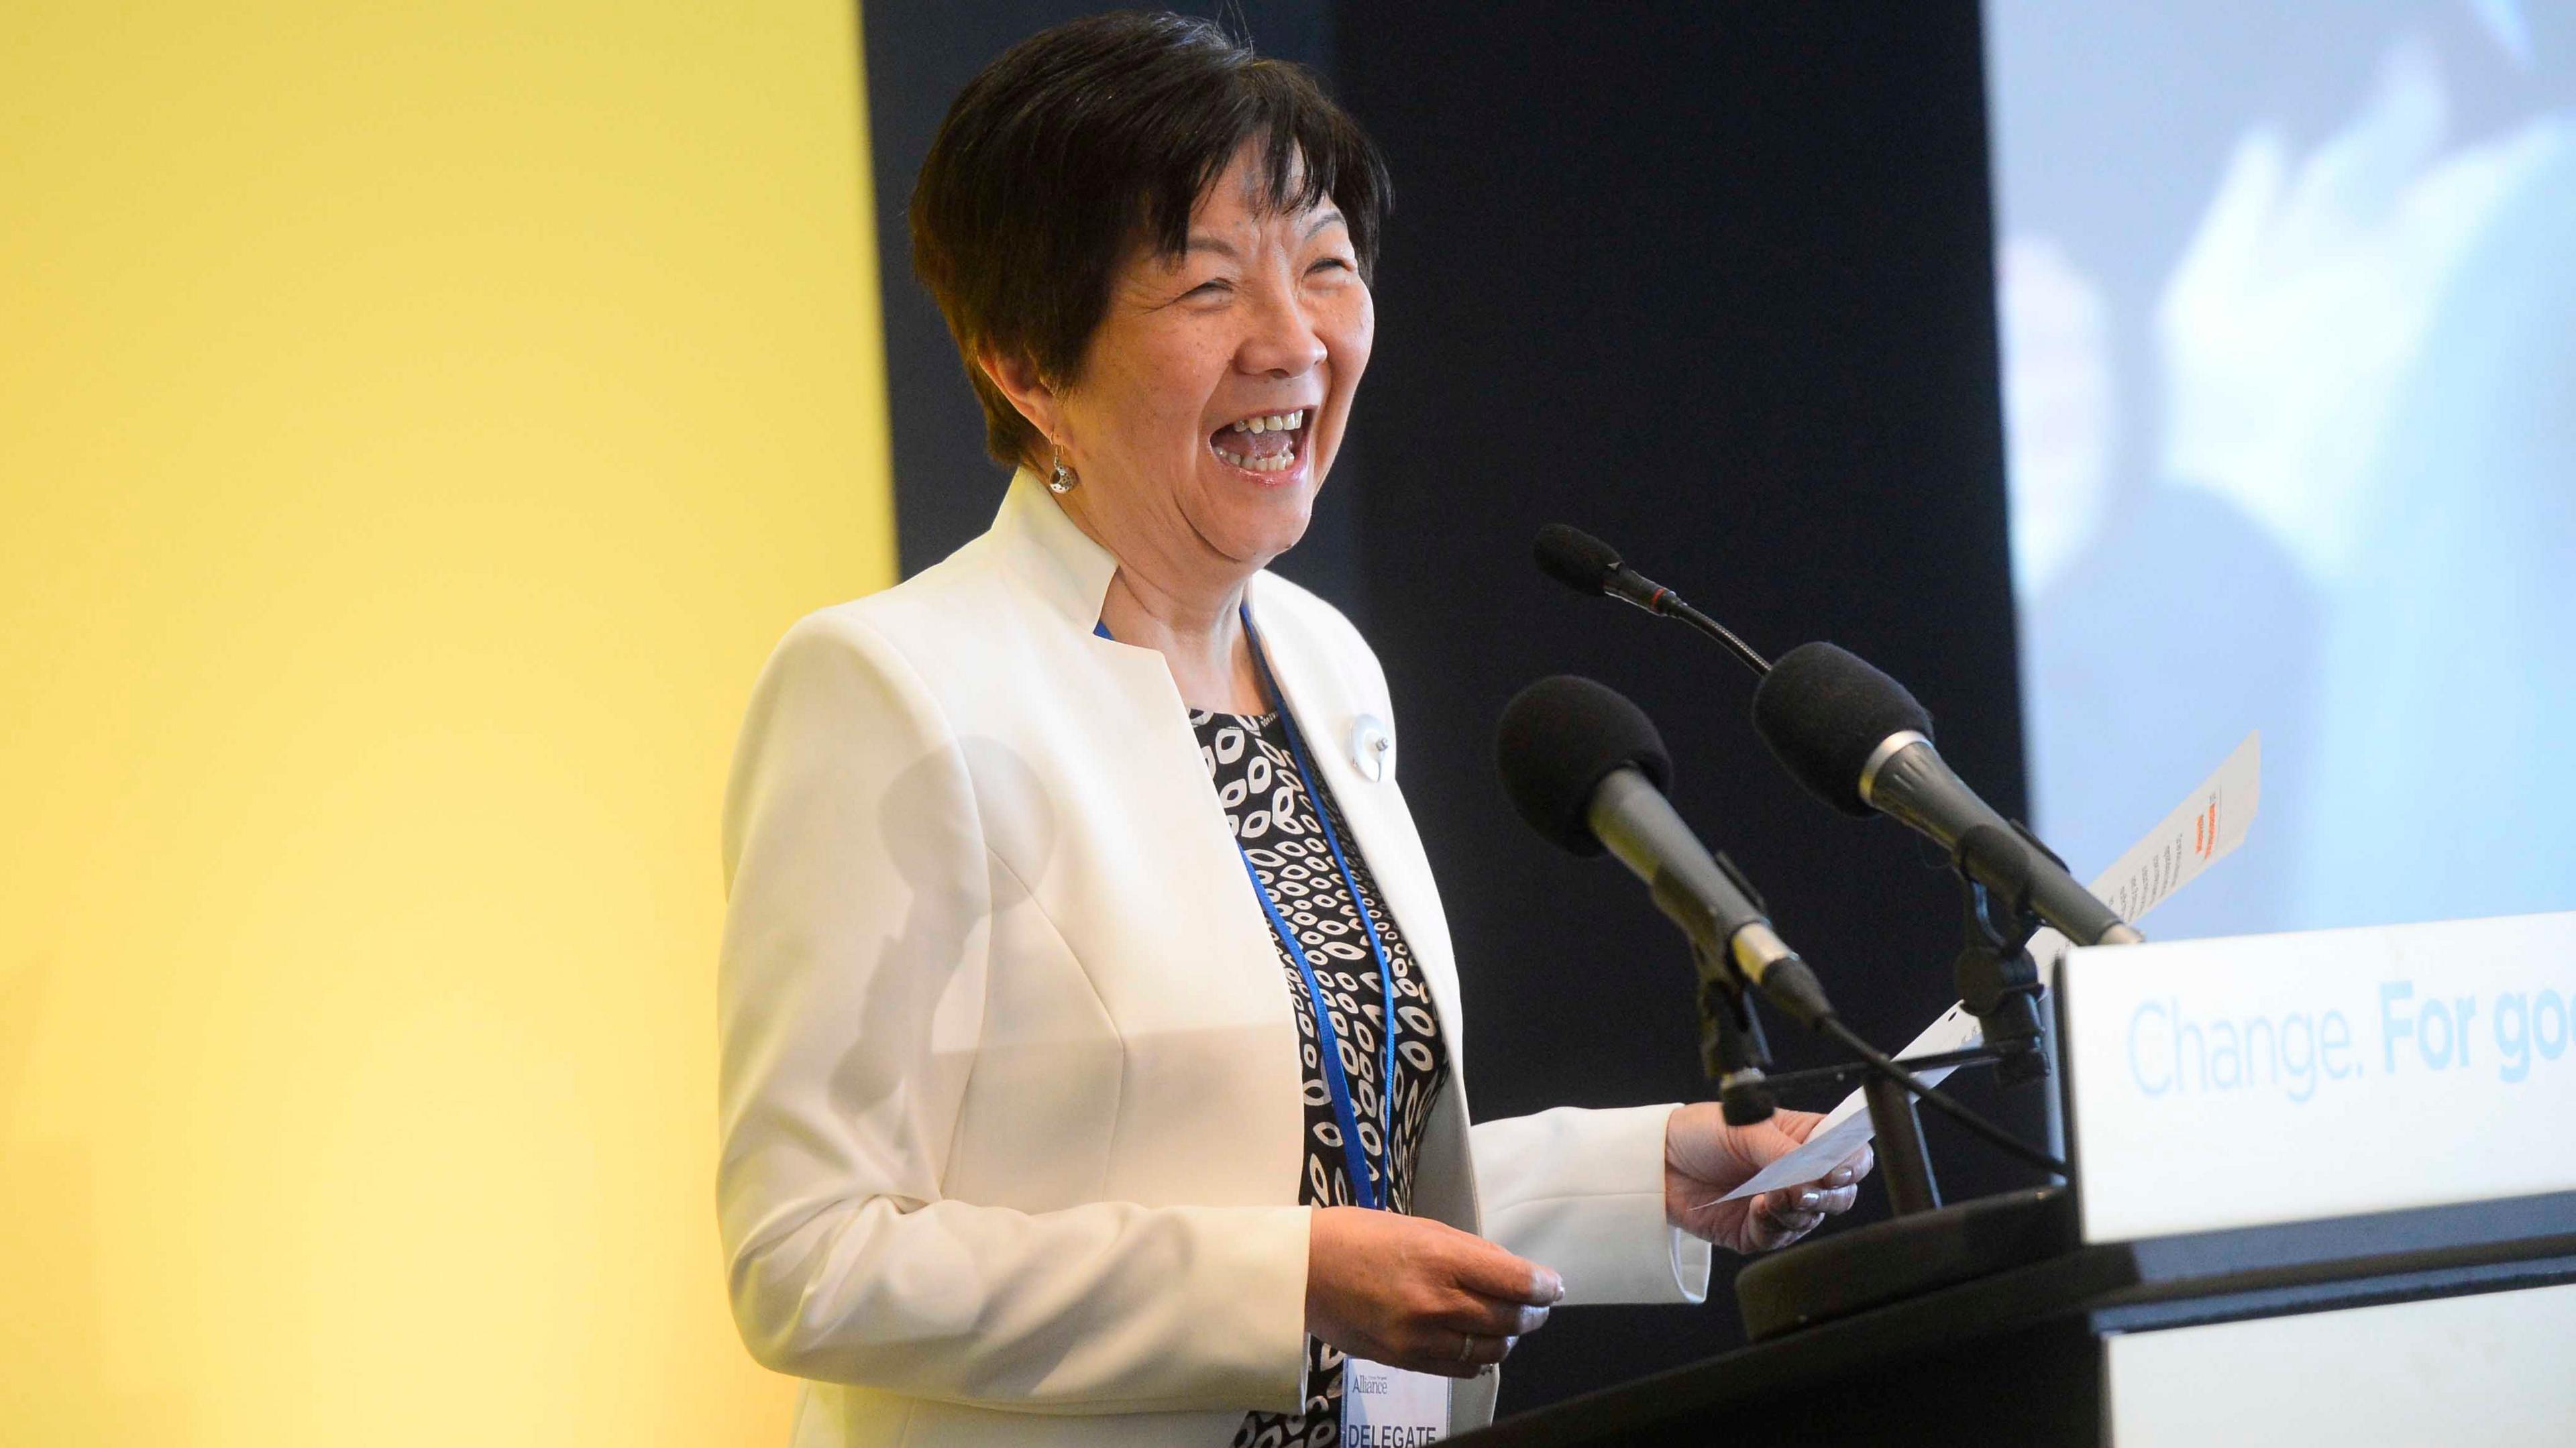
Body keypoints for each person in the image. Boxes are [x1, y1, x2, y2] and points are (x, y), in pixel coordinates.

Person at [716, 15, 1871, 1447]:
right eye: (1208, 287)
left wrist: (1650, 1174)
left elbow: (1312, 1162)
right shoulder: (889, 687)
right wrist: (1292, 1280)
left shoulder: (1323, 664)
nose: (1296, 341)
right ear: (1025, 360)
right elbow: (807, 1259)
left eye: (1327, 266)